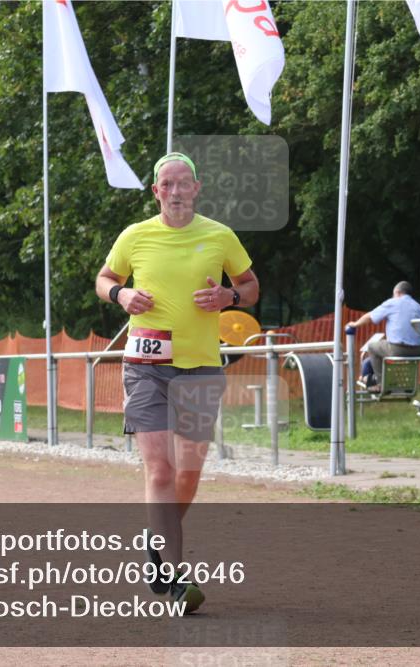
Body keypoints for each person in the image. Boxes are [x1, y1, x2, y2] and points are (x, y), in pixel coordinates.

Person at [95, 152, 259, 613]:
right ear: (156, 192)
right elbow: (104, 278)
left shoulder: (219, 235)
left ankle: (155, 542)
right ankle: (177, 578)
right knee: (161, 470)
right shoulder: (135, 236)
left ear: (196, 188)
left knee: (188, 472)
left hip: (201, 367)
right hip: (146, 366)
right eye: (167, 184)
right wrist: (122, 293)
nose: (175, 190)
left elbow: (251, 287)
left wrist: (228, 296)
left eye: (183, 182)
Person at [346, 281, 420, 392]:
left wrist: (355, 324)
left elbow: (370, 316)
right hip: (418, 350)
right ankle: (396, 381)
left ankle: (381, 383)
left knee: (372, 347)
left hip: (399, 349)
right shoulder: (419, 307)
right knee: (385, 347)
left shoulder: (394, 302)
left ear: (397, 292)